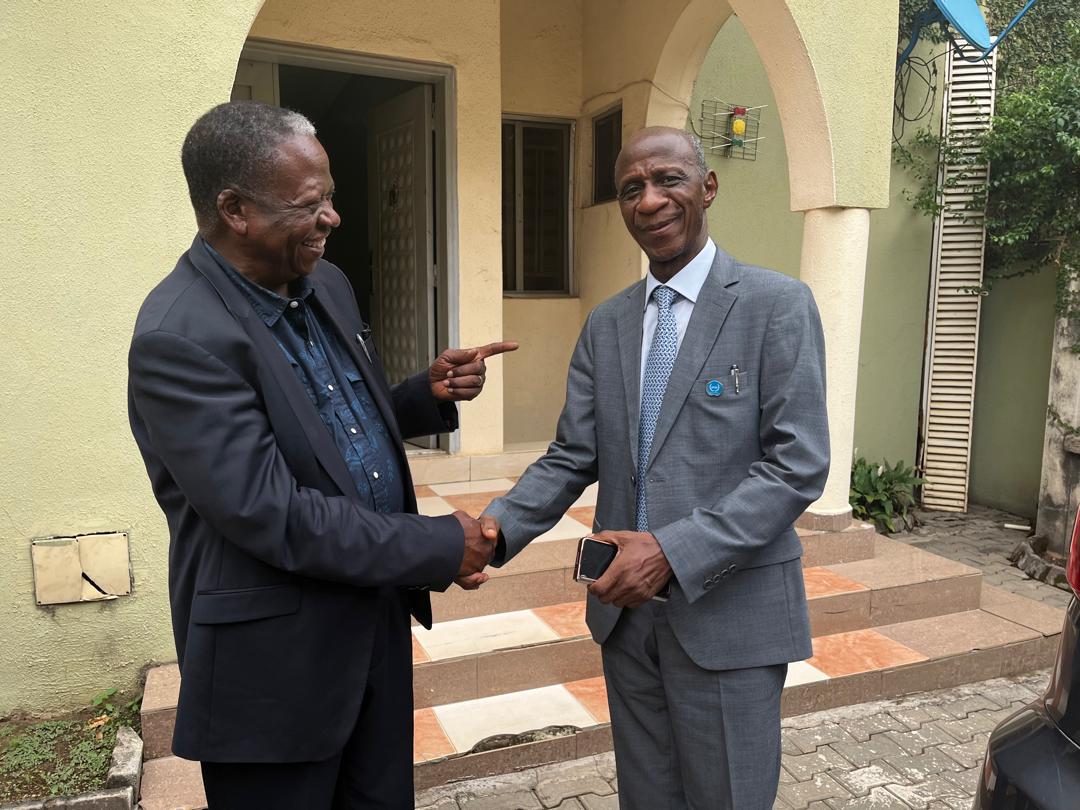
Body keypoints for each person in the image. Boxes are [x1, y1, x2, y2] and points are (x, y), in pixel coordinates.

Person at [127, 100, 513, 809]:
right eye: (311, 204)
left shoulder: (325, 286)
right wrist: (435, 545)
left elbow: (328, 429)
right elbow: (270, 512)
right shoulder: (178, 338)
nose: (332, 217)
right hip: (274, 671)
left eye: (329, 196)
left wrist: (421, 397)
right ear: (236, 210)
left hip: (371, 636)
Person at [481, 126, 830, 809]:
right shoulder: (607, 324)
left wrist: (671, 551)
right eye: (631, 188)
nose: (649, 201)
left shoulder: (774, 306)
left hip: (730, 612)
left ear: (708, 186)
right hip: (626, 618)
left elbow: (797, 465)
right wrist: (494, 531)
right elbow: (571, 455)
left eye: (668, 179)